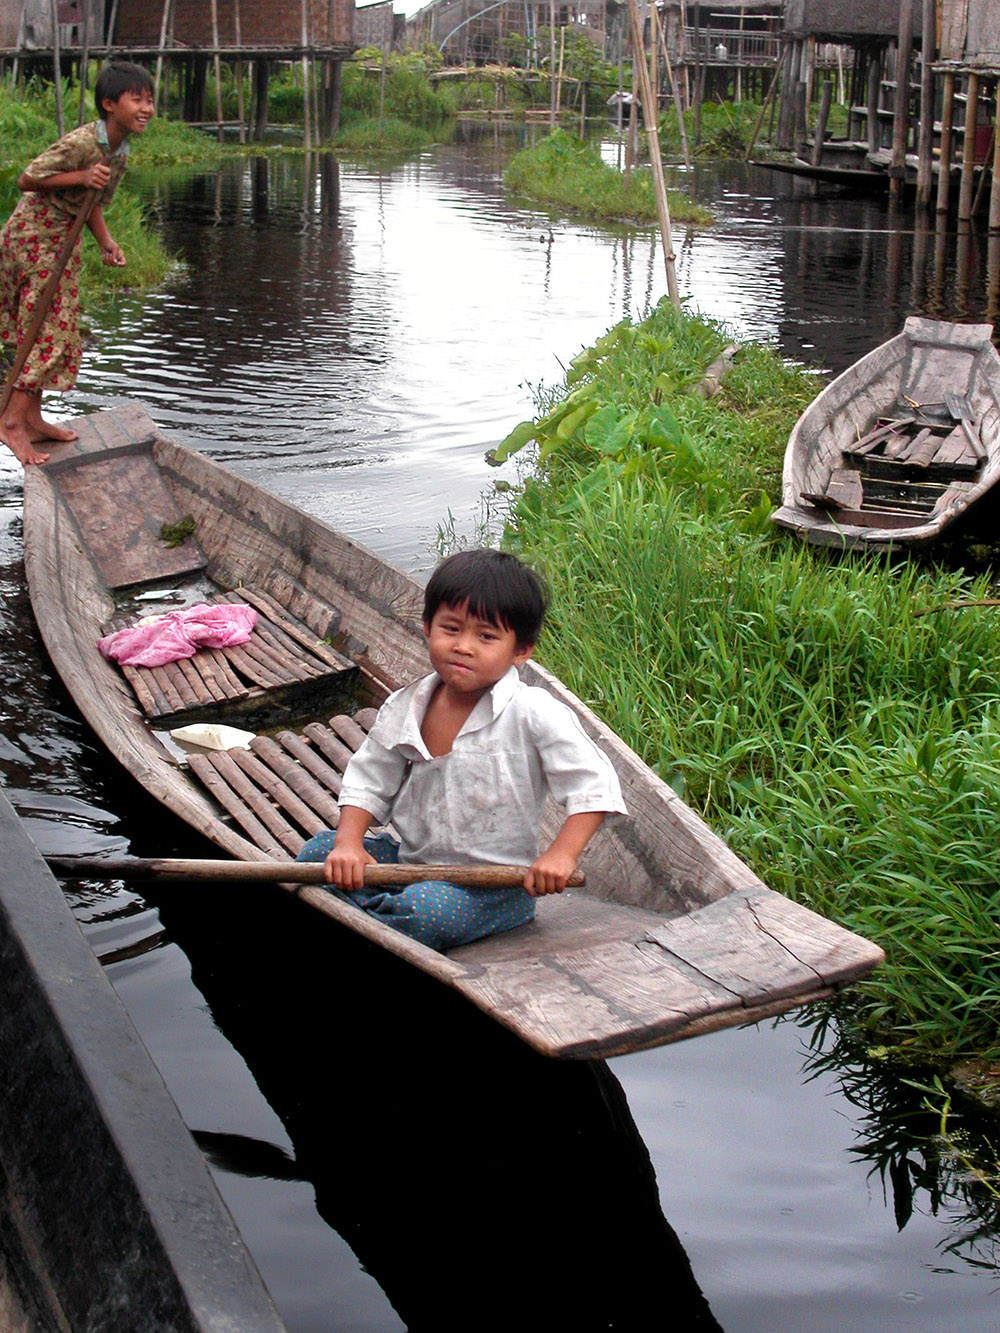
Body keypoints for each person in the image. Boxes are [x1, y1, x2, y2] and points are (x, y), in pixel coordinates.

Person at [297, 548, 627, 951]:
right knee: (318, 851)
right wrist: (349, 844)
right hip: (412, 864)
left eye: (486, 637)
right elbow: (371, 777)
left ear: (521, 650)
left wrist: (560, 855)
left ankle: (378, 915)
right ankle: (383, 913)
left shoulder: (533, 713)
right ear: (427, 628)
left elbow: (594, 786)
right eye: (451, 629)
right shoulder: (407, 705)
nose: (464, 646)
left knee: (424, 911)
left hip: (493, 887)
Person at [0, 60, 154, 466]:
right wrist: (81, 176)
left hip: (61, 242)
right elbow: (28, 178)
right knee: (45, 329)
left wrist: (106, 242)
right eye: (136, 99)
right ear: (108, 103)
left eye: (150, 100)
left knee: (59, 329)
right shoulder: (83, 143)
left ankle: (31, 418)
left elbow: (93, 202)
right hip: (35, 238)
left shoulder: (117, 150)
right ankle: (11, 422)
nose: (146, 108)